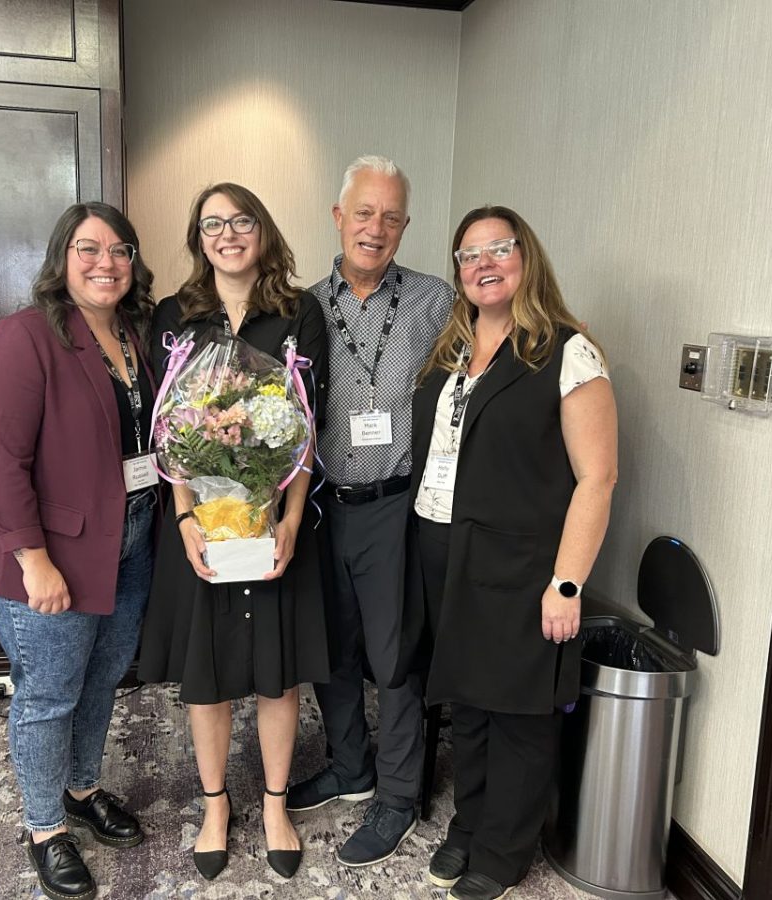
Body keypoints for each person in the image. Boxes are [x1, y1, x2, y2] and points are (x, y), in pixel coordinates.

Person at [406, 205, 618, 900]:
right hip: (447, 549)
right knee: (468, 700)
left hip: (524, 564)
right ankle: (469, 825)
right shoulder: (453, 347)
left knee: (519, 710)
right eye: (469, 254)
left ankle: (503, 850)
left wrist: (567, 583)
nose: (483, 263)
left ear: (527, 258)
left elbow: (598, 476)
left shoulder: (565, 349)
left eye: (499, 248)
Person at [138, 182, 329, 881]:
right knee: (207, 676)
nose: (227, 234)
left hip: (274, 522)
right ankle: (216, 805)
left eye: (240, 220)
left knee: (278, 678)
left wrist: (290, 518)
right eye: (212, 223)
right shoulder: (174, 316)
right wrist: (186, 515)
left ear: (263, 230)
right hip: (202, 529)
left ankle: (275, 805)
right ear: (198, 237)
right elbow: (167, 427)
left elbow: (312, 425)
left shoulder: (299, 314)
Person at [0, 201, 158, 900]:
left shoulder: (134, 336)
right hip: (50, 555)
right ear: (62, 257)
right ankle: (45, 827)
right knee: (49, 695)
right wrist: (33, 560)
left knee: (102, 679)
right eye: (89, 248)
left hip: (131, 540)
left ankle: (82, 789)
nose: (105, 262)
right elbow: (0, 463)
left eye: (120, 251)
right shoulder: (23, 339)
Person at [286, 155, 454, 867]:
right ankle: (351, 770)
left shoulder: (435, 301)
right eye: (364, 212)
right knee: (332, 648)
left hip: (396, 504)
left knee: (395, 657)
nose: (375, 228)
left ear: (404, 226)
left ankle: (398, 796)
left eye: (391, 216)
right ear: (338, 217)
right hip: (320, 503)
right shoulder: (301, 306)